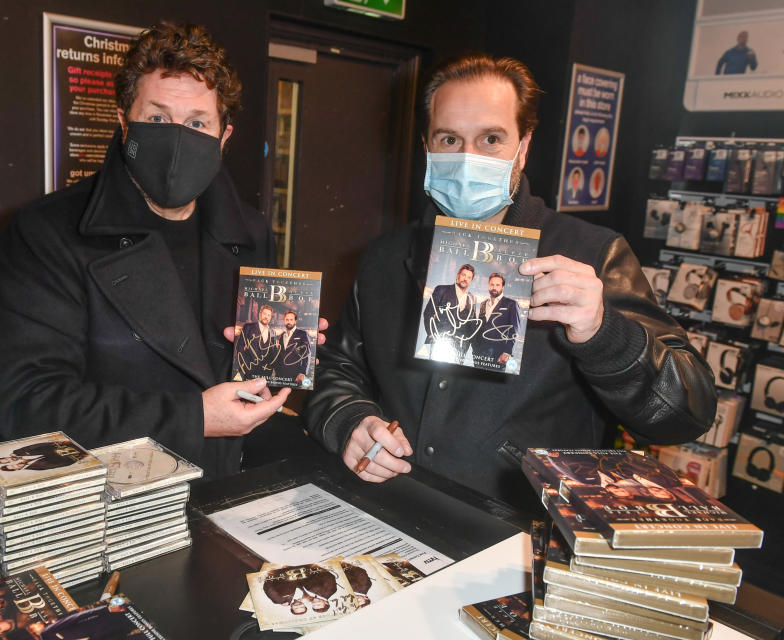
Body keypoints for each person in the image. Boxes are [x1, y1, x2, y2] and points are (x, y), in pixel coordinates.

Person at [304, 53, 716, 502]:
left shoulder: (593, 255)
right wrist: (349, 421)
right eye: (449, 139)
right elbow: (338, 369)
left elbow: (686, 412)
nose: (467, 159)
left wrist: (604, 334)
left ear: (523, 146)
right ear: (427, 146)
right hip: (397, 512)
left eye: (491, 139)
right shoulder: (386, 256)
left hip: (524, 534)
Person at [0, 22, 306, 480]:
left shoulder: (251, 234)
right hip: (109, 507)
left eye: (197, 123)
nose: (177, 139)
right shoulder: (47, 233)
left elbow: (255, 381)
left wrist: (287, 354)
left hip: (223, 492)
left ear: (224, 136)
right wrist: (192, 418)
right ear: (123, 121)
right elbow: (28, 403)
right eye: (157, 119)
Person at [421, 263, 479, 364]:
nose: (465, 279)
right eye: (463, 275)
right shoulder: (442, 290)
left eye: (469, 277)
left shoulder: (472, 298)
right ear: (458, 276)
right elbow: (428, 313)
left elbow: (472, 325)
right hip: (440, 343)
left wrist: (466, 345)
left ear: (471, 281)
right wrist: (433, 335)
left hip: (460, 348)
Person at [471, 273, 521, 371]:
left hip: (498, 353)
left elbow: (515, 330)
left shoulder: (511, 304)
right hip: (479, 353)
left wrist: (507, 352)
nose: (494, 287)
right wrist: (475, 347)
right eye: (492, 284)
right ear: (489, 285)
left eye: (497, 285)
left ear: (503, 287)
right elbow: (481, 326)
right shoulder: (483, 304)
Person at [235, 304, 279, 378]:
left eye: (269, 315)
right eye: (264, 314)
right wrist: (245, 366)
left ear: (270, 318)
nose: (266, 317)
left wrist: (270, 368)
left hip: (265, 373)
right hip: (248, 371)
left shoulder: (273, 332)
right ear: (260, 314)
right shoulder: (248, 327)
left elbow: (273, 352)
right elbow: (240, 346)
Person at [274, 310, 311, 383]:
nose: (289, 322)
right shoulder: (281, 336)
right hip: (280, 375)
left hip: (295, 375)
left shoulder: (302, 334)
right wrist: (276, 370)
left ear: (295, 321)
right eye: (287, 319)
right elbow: (279, 355)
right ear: (284, 321)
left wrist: (302, 372)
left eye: (291, 320)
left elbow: (307, 354)